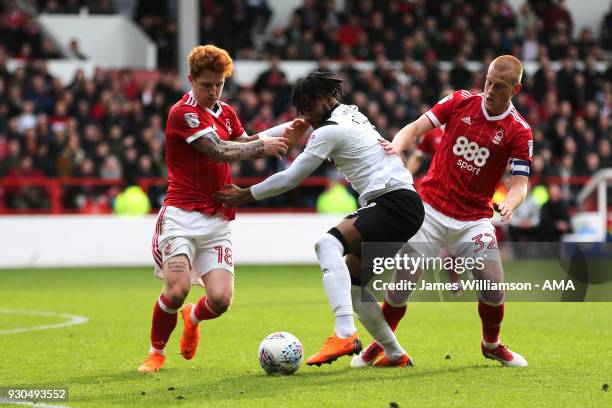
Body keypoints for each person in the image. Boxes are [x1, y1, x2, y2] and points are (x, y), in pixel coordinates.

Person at [215, 72, 425, 367]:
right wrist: (270, 137)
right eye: (300, 110)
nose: (305, 116)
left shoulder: (330, 130)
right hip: (402, 204)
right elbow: (300, 131)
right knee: (352, 286)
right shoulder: (348, 114)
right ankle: (395, 354)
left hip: (394, 203)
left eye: (309, 107)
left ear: (328, 99)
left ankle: (344, 333)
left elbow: (291, 178)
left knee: (327, 245)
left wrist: (245, 195)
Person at [353, 55, 532, 368]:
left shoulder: (519, 131)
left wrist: (510, 203)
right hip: (428, 211)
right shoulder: (461, 101)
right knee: (401, 286)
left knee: (493, 289)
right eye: (488, 80)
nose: (489, 89)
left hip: (474, 219)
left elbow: (520, 185)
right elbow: (417, 127)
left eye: (499, 86)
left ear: (515, 89)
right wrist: (397, 145)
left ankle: (491, 345)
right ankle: (380, 346)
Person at [138, 44, 299, 373]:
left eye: (219, 84)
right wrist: (262, 146)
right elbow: (218, 150)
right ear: (191, 80)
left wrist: (288, 130)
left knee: (221, 300)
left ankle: (192, 318)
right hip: (180, 217)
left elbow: (240, 141)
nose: (213, 91)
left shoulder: (225, 112)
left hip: (216, 220)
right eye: (206, 84)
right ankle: (156, 352)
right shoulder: (182, 113)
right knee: (176, 289)